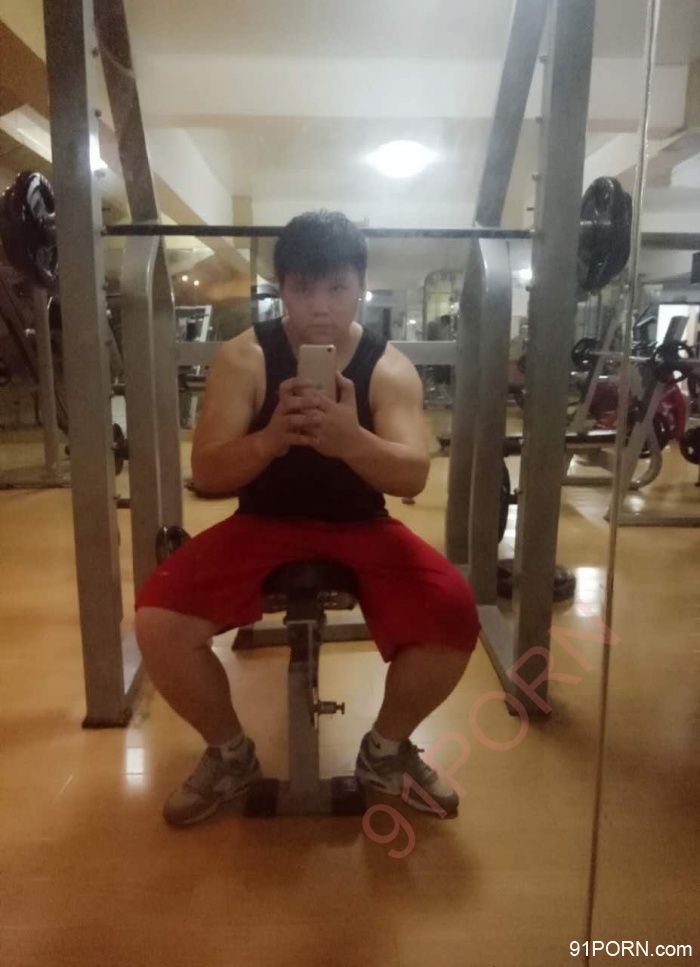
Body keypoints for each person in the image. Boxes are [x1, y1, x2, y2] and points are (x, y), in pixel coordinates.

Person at [134, 211, 480, 827]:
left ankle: (385, 753)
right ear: (283, 288)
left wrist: (351, 441)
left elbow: (412, 477)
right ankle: (230, 755)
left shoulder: (388, 367)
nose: (320, 305)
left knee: (453, 608)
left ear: (361, 287)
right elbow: (208, 472)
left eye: (337, 288)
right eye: (304, 288)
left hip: (360, 524)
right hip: (263, 521)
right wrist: (270, 440)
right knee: (158, 619)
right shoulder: (245, 358)